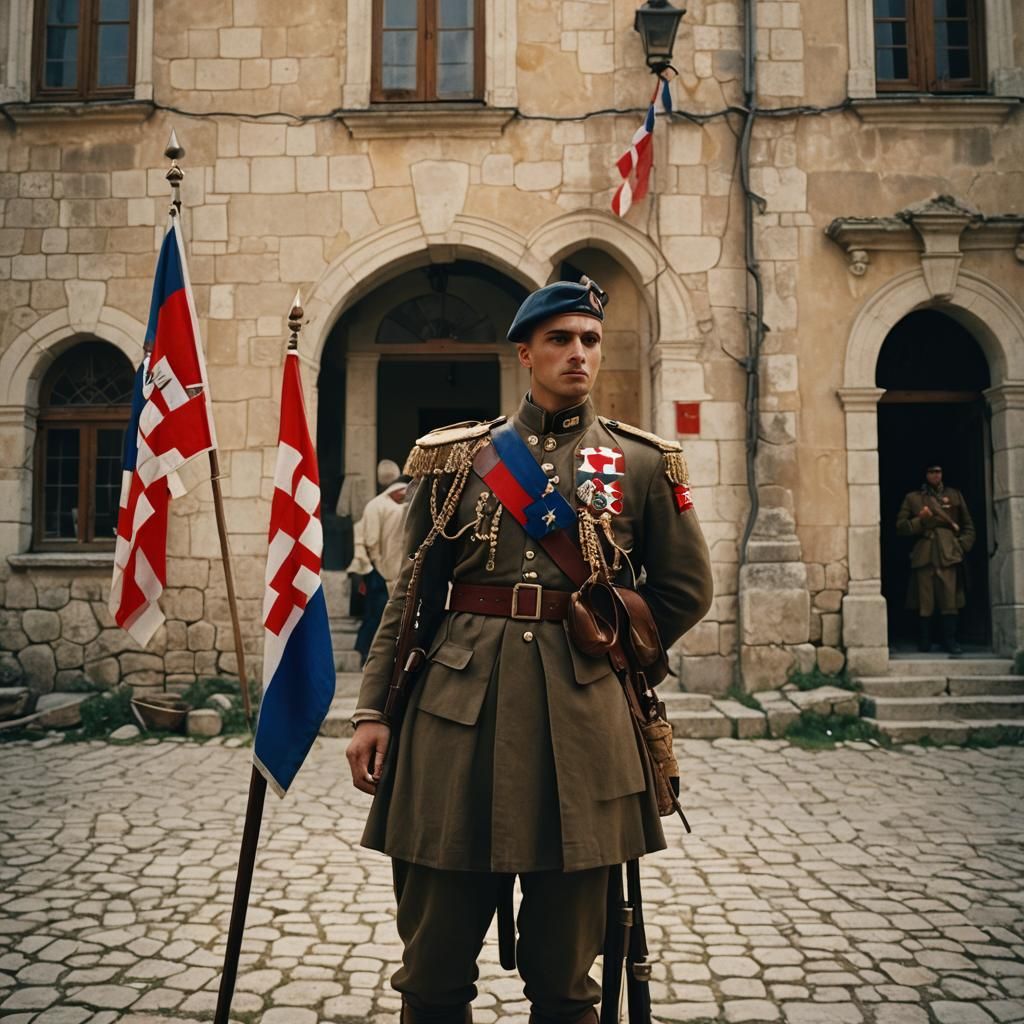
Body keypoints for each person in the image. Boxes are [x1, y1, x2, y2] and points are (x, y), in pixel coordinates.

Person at [345, 278, 714, 1024]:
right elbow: (411, 598)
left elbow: (686, 590)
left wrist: (613, 644)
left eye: (589, 339)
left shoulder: (641, 463)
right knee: (433, 972)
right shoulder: (456, 460)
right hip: (455, 725)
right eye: (560, 339)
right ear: (526, 353)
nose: (578, 353)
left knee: (568, 981)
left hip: (584, 730)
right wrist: (372, 710)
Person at [896, 462, 976, 656]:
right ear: (925, 474)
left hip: (948, 553)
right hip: (924, 553)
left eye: (938, 471)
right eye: (931, 472)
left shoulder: (955, 495)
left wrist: (960, 546)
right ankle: (925, 640)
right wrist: (920, 520)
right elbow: (900, 527)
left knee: (950, 599)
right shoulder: (913, 498)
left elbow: (968, 527)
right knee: (925, 601)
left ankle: (951, 640)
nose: (935, 476)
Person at [351, 460, 406, 664]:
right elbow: (372, 543)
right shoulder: (377, 506)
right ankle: (365, 652)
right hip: (377, 571)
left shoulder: (395, 507)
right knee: (375, 613)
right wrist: (381, 571)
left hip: (391, 571)